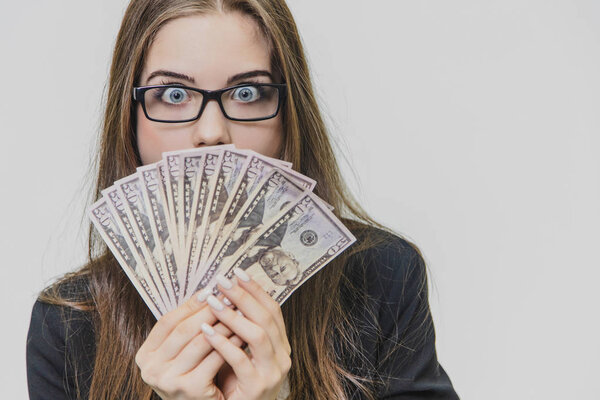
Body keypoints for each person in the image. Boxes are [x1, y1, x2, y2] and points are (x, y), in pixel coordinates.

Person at [26, 0, 460, 399]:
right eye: (174, 95)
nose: (212, 132)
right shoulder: (67, 325)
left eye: (247, 93)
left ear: (289, 116)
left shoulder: (383, 278)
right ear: (129, 119)